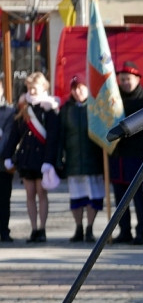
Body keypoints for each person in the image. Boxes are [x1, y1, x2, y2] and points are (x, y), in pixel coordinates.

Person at [2, 72, 61, 243]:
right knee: (29, 195)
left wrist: (49, 161)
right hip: (26, 158)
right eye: (29, 88)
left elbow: (53, 137)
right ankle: (33, 228)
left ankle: (42, 229)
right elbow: (15, 134)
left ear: (43, 87)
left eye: (34, 88)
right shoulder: (24, 108)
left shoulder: (49, 109)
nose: (31, 91)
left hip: (42, 159)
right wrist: (8, 155)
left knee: (41, 194)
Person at [109, 61, 143, 245]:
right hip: (117, 153)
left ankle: (141, 231)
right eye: (123, 79)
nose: (126, 82)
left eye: (129, 79)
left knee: (136, 195)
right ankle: (124, 230)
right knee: (119, 196)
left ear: (137, 79)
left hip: (134, 154)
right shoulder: (114, 96)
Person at [59, 75, 105, 243]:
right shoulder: (66, 110)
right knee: (77, 198)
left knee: (92, 197)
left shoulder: (96, 108)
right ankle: (78, 227)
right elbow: (60, 136)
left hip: (92, 160)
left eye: (81, 88)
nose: (78, 91)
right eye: (75, 88)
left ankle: (89, 228)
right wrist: (59, 160)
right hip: (73, 161)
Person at [0, 82, 15, 242]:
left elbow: (11, 136)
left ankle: (4, 230)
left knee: (4, 199)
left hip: (3, 162)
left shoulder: (10, 112)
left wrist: (8, 156)